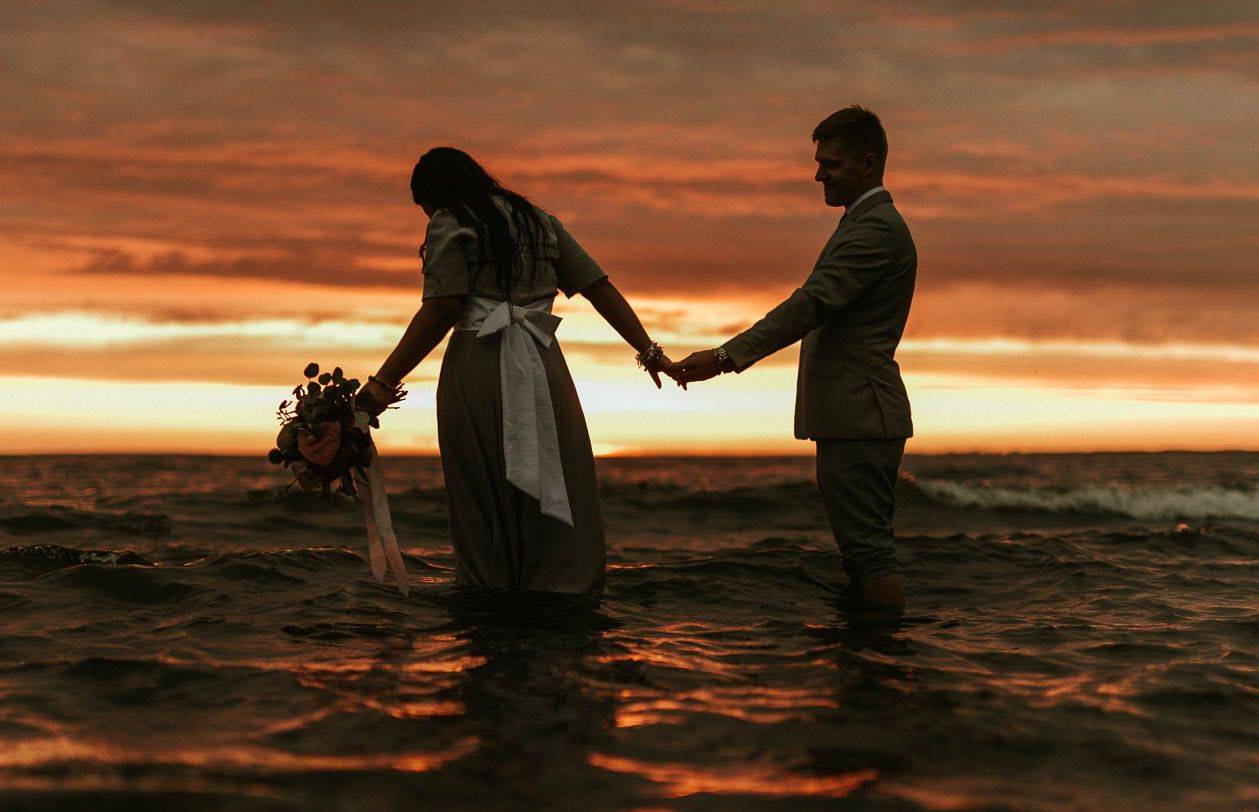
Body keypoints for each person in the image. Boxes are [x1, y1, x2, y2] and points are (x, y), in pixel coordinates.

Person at [356, 147, 666, 596]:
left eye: (422, 203)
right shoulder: (540, 222)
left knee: (480, 488)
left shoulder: (451, 220)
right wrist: (651, 353)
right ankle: (561, 591)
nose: (424, 212)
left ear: (433, 193)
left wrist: (382, 384)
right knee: (558, 475)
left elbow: (443, 308)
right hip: (545, 365)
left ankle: (492, 599)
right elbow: (600, 288)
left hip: (478, 367)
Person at [667, 106, 917, 613]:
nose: (818, 174)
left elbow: (811, 304)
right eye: (819, 162)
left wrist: (724, 356)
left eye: (832, 164)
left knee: (869, 555)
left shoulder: (876, 229)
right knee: (862, 553)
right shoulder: (860, 223)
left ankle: (885, 671)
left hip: (861, 418)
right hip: (852, 416)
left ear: (869, 165)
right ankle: (869, 666)